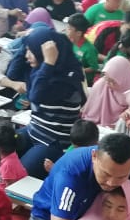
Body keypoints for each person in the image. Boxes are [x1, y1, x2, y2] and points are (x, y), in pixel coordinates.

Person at [19, 29, 88, 178]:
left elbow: (35, 96)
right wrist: (28, 40)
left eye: (31, 51)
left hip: (52, 143)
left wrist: (49, 62)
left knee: (20, 174)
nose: (26, 56)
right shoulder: (41, 71)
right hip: (33, 131)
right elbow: (13, 71)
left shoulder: (68, 79)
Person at [81, 55, 130, 127]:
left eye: (113, 81)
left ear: (124, 77)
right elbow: (91, 114)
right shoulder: (101, 85)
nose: (108, 84)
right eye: (107, 79)